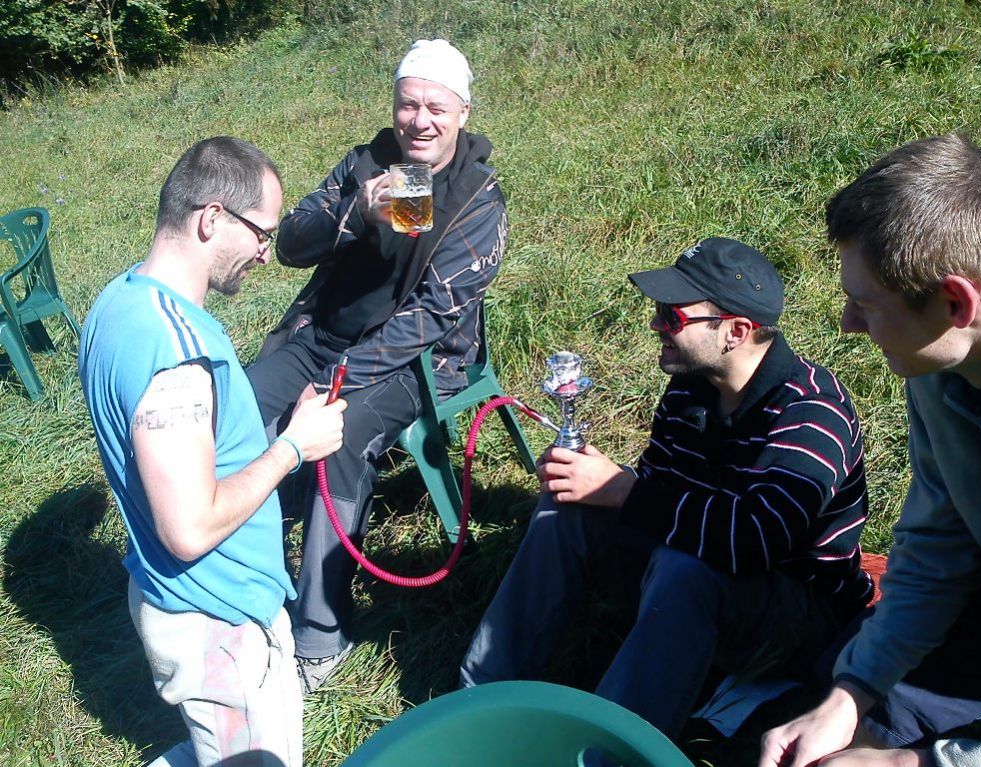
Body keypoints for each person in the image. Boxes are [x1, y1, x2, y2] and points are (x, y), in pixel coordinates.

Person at [459, 237, 875, 739]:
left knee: (685, 570)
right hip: (697, 577)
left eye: (673, 317)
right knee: (568, 503)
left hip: (796, 614)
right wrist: (601, 488)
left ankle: (608, 747)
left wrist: (625, 492)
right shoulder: (691, 385)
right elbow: (661, 489)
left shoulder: (810, 412)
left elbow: (756, 541)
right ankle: (479, 696)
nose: (656, 325)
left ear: (735, 331)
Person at [245, 38, 507, 695]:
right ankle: (250, 585)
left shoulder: (478, 200)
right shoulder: (370, 164)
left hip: (416, 364)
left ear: (463, 112)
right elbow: (292, 243)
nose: (419, 120)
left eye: (435, 108)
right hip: (319, 336)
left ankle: (319, 634)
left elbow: (427, 319)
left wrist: (335, 383)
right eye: (407, 104)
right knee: (241, 405)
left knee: (337, 438)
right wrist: (354, 212)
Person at [78, 137, 347, 767]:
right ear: (211, 218)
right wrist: (292, 447)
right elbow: (189, 527)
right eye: (260, 233)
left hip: (187, 606)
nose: (264, 252)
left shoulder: (120, 301)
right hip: (219, 619)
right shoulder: (174, 353)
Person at [758, 133, 981, 767]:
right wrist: (852, 694)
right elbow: (940, 547)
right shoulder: (944, 370)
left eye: (865, 304)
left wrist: (922, 764)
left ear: (957, 302)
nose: (847, 324)